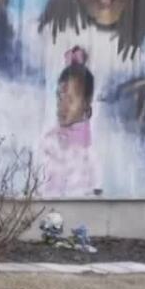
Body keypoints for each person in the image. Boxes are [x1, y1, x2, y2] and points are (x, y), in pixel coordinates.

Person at [42, 46, 97, 196]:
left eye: (70, 100)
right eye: (60, 98)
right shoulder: (51, 139)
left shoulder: (90, 147)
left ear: (85, 103)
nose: (63, 106)